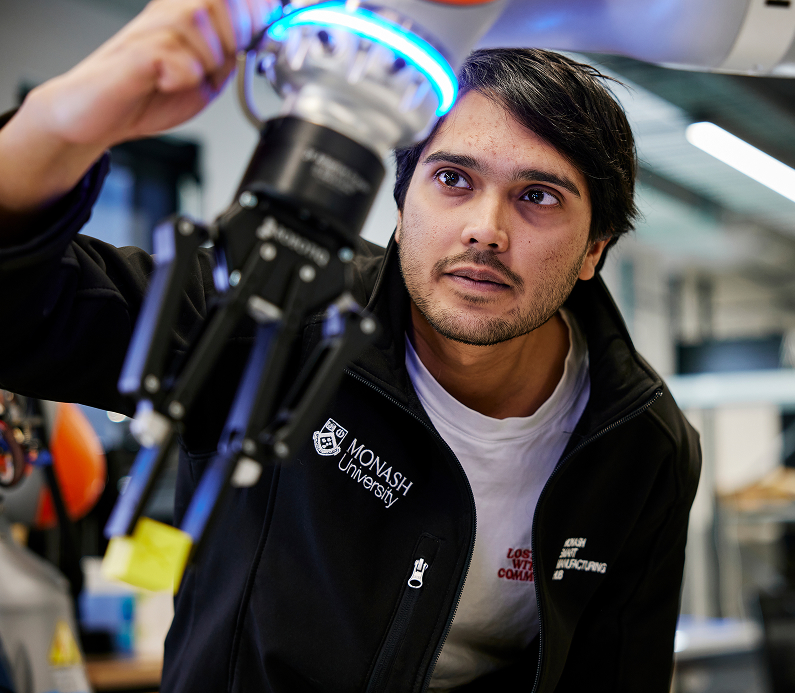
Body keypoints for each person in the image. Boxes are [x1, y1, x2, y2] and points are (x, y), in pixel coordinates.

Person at [0, 1, 700, 691]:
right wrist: (64, 119)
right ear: (400, 211)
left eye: (538, 196)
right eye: (452, 179)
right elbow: (22, 312)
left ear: (593, 250)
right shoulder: (271, 313)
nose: (486, 229)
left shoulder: (639, 442)